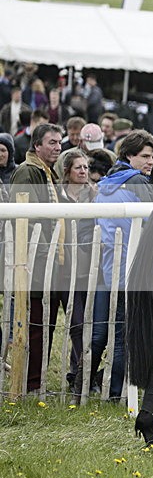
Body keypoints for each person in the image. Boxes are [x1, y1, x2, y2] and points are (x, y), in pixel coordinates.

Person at [89, 130, 153, 399]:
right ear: (128, 155)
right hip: (138, 269)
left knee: (120, 333)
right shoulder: (138, 183)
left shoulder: (106, 182)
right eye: (145, 156)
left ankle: (113, 389)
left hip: (113, 268)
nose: (151, 161)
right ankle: (130, 390)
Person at [9, 123, 64, 391]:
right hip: (34, 260)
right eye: (52, 142)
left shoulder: (47, 173)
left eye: (59, 142)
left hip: (47, 258)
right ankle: (30, 383)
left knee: (45, 323)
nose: (57, 147)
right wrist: (41, 251)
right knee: (35, 324)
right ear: (37, 145)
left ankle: (36, 379)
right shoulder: (28, 172)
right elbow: (24, 219)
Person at [57, 150, 96, 389]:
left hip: (90, 267)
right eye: (78, 167)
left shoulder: (95, 195)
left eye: (86, 167)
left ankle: (78, 372)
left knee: (89, 323)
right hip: (65, 268)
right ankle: (82, 372)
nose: (83, 172)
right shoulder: (58, 198)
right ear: (67, 171)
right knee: (77, 323)